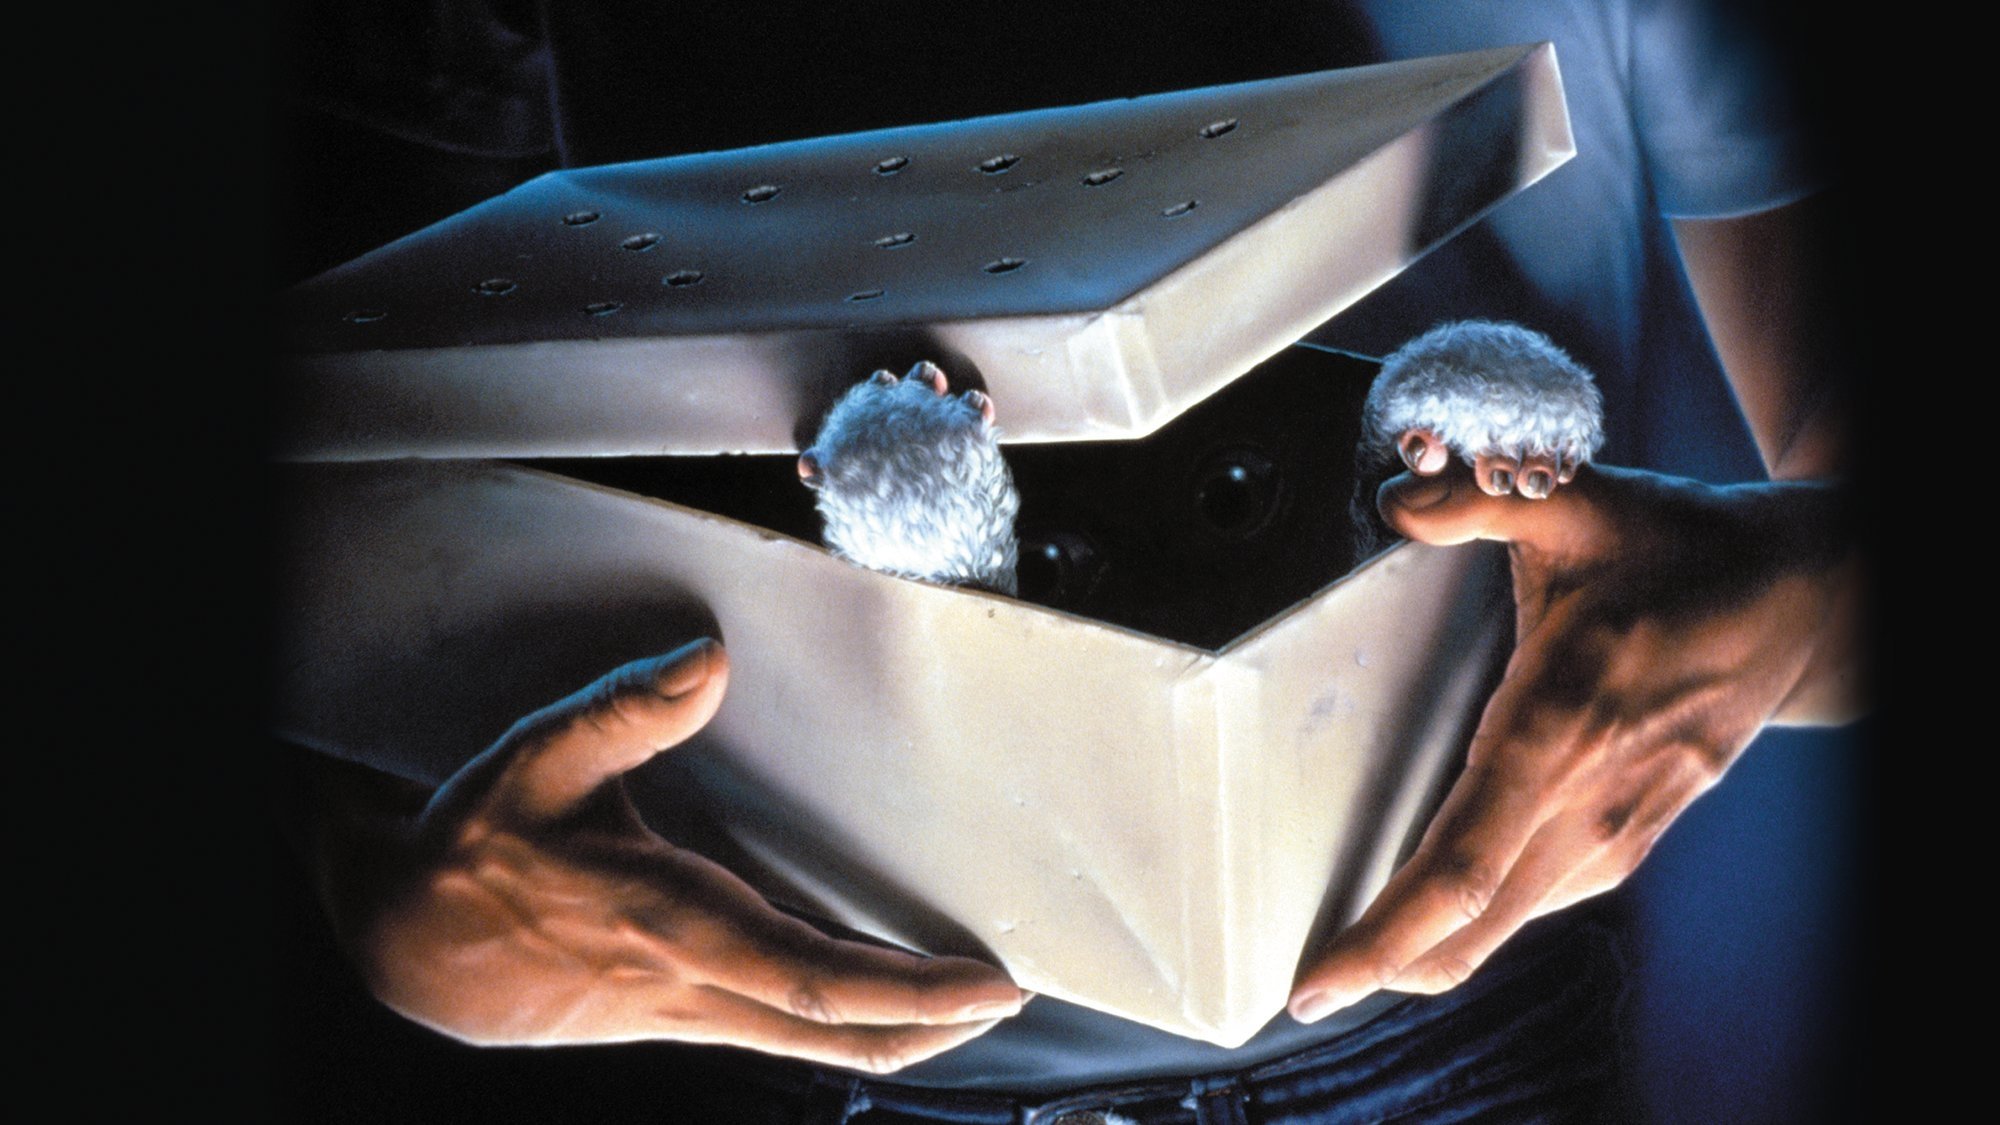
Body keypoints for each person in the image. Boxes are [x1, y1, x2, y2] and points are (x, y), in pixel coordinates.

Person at [282, 1, 1867, 1119]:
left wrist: (1783, 601)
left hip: (1448, 1052)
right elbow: (369, 460)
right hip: (876, 1065)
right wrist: (389, 905)